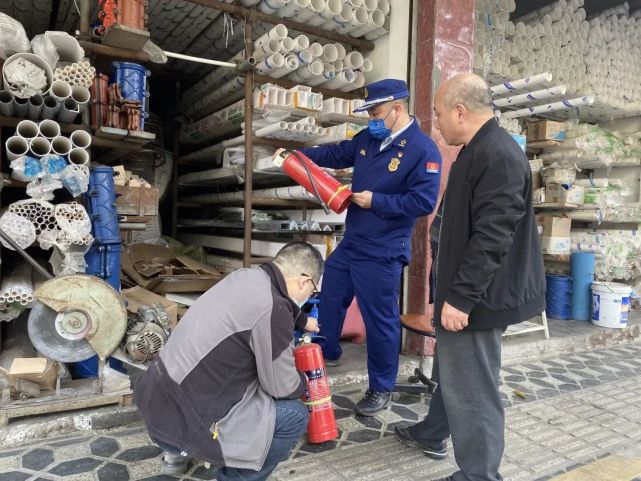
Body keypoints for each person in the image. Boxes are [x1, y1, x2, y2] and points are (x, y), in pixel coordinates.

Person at [394, 73, 546, 481]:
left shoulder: (497, 155)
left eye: (440, 114)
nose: (438, 124)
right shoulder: (477, 148)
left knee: (474, 387)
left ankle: (479, 474)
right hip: (462, 290)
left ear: (461, 112)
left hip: (479, 296)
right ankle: (433, 431)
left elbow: (493, 237)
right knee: (452, 370)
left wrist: (460, 298)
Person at [291, 78, 442, 416]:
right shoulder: (369, 140)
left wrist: (377, 200)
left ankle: (381, 388)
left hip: (384, 247)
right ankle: (326, 349)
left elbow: (422, 201)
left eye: (375, 112)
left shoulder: (422, 149)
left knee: (380, 321)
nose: (370, 119)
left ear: (396, 109)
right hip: (354, 240)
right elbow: (334, 153)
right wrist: (299, 155)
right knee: (331, 296)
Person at [133, 242, 324, 480]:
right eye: (313, 291)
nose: (309, 296)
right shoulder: (273, 309)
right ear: (305, 281)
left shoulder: (246, 277)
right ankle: (234, 476)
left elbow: (274, 305)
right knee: (294, 414)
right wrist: (306, 382)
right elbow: (280, 387)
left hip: (156, 400)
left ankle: (175, 452)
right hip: (188, 419)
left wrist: (301, 321)